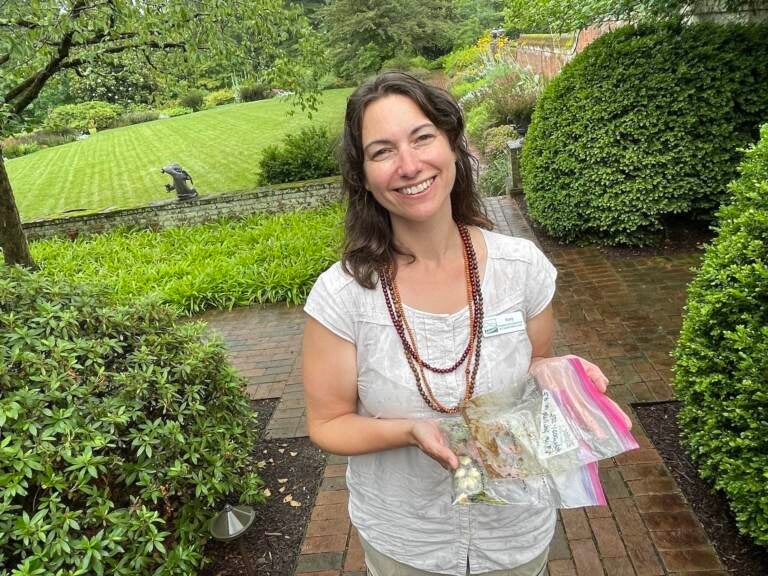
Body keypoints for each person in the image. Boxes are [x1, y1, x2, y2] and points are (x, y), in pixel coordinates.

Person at [302, 72, 610, 576]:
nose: (409, 165)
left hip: (515, 528)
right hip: (408, 539)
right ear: (362, 175)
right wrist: (409, 430)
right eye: (382, 151)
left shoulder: (522, 268)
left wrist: (560, 373)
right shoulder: (342, 295)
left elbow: (535, 363)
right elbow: (328, 423)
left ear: (452, 144)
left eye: (422, 138)